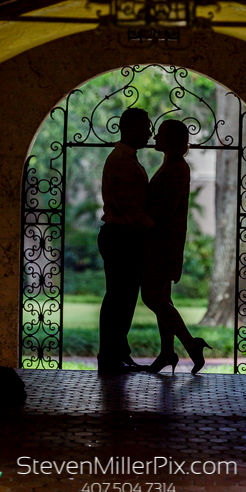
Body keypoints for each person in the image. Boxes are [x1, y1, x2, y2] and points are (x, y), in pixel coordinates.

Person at [141, 119, 211, 375]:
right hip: (164, 242)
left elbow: (165, 209)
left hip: (162, 243)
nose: (155, 137)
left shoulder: (176, 167)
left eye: (159, 134)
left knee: (151, 297)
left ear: (170, 139)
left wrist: (142, 215)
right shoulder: (171, 165)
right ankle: (168, 353)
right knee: (163, 298)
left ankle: (192, 345)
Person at [97, 107, 154, 374]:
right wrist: (150, 224)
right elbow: (125, 204)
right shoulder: (121, 160)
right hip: (122, 236)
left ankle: (117, 354)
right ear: (129, 128)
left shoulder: (125, 158)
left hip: (122, 235)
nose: (150, 132)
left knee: (122, 298)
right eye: (146, 126)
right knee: (119, 298)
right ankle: (111, 356)